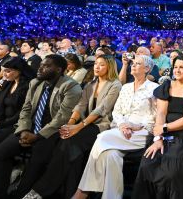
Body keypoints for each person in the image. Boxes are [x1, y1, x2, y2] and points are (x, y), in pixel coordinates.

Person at [22, 55, 121, 199]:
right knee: (69, 146)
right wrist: (70, 123)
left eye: (102, 65)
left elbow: (102, 110)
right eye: (96, 64)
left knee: (70, 142)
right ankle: (68, 193)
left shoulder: (115, 84)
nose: (96, 67)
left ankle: (41, 190)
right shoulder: (91, 84)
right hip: (84, 124)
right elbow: (80, 106)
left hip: (102, 126)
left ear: (110, 68)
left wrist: (78, 126)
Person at [0, 55, 82, 199]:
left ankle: (20, 194)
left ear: (58, 69)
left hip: (51, 133)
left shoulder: (70, 86)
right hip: (29, 129)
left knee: (35, 164)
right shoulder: (35, 83)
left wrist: (37, 136)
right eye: (41, 65)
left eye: (46, 66)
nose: (40, 68)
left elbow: (61, 118)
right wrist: (24, 130)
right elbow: (26, 110)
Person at [73, 55, 158, 199]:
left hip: (142, 132)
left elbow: (156, 116)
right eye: (133, 63)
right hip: (121, 130)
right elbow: (117, 111)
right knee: (110, 155)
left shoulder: (154, 89)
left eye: (138, 64)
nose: (133, 65)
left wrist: (136, 125)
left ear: (147, 69)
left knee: (101, 137)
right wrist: (122, 124)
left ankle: (82, 192)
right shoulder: (126, 87)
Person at [132, 56, 183, 199]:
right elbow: (161, 113)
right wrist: (158, 139)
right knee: (147, 164)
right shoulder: (166, 86)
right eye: (175, 67)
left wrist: (164, 128)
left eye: (182, 67)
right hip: (164, 135)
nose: (177, 70)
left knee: (172, 171)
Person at [0, 58, 35, 161]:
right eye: (3, 70)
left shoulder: (28, 86)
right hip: (2, 122)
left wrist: (0, 124)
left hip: (15, 125)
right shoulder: (9, 83)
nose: (4, 74)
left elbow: (22, 113)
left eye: (8, 71)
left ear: (19, 71)